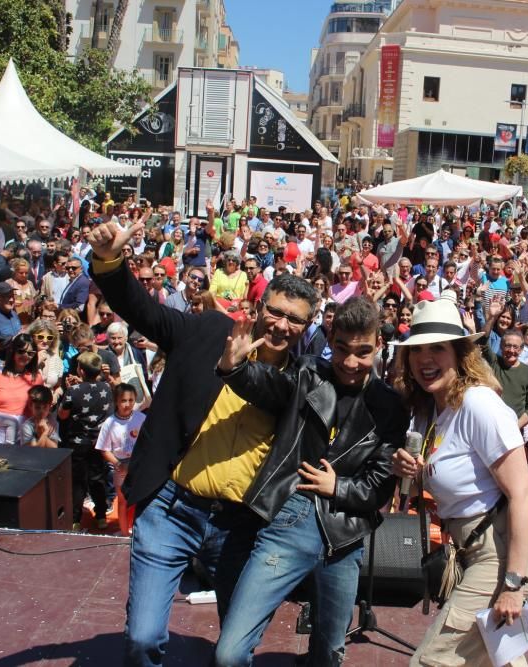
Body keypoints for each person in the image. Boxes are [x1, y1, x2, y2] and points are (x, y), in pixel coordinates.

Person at [86, 219, 318, 665]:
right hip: (172, 509)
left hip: (241, 526)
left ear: (306, 327)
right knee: (142, 639)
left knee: (233, 654)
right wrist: (110, 262)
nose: (282, 324)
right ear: (258, 304)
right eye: (276, 311)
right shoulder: (209, 331)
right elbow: (142, 310)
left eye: (295, 319)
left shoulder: (301, 380)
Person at [213, 297, 408, 667]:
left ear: (379, 346)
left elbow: (381, 486)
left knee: (328, 655)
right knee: (228, 653)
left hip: (345, 537)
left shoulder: (390, 405)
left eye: (363, 352)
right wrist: (234, 368)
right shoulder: (307, 373)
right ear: (329, 340)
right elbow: (267, 386)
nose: (351, 362)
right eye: (342, 349)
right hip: (289, 521)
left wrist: (339, 488)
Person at [390, 293, 528, 666]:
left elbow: (524, 495)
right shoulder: (429, 411)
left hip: (504, 549)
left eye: (438, 349)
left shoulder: (479, 404)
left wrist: (513, 584)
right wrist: (412, 472)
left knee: (432, 661)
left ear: (461, 354)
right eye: (417, 351)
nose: (425, 360)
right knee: (502, 657)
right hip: (471, 546)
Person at [59, 351, 114, 531]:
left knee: (78, 482)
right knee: (98, 479)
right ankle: (101, 517)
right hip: (99, 443)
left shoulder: (73, 390)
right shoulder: (106, 387)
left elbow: (63, 414)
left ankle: (75, 520)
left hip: (78, 443)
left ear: (81, 371)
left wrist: (70, 391)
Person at [96, 383, 146, 536]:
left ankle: (140, 533)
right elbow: (103, 449)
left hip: (139, 466)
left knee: (141, 500)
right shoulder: (109, 423)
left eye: (131, 400)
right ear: (116, 402)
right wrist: (118, 463)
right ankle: (124, 534)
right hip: (121, 467)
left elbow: (148, 442)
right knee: (123, 501)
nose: (127, 404)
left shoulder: (141, 418)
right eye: (123, 400)